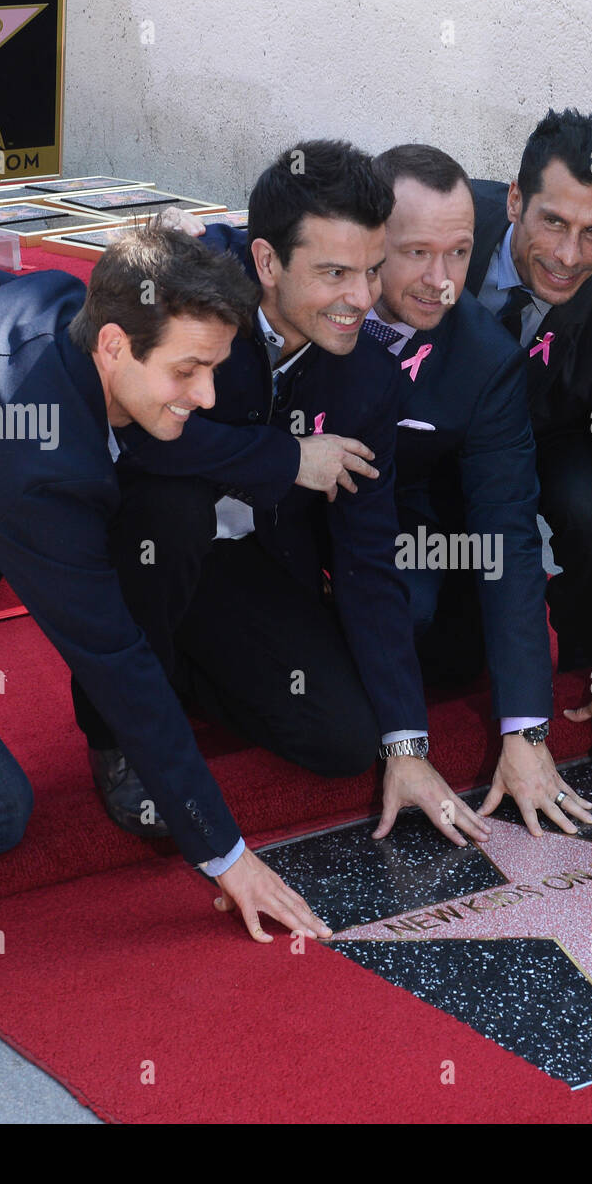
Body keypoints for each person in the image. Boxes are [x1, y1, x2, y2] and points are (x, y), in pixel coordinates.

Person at [0, 224, 330, 942]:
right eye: (186, 371)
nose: (206, 395)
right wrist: (225, 853)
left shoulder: (53, 301)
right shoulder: (38, 477)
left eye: (215, 367)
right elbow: (119, 666)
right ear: (113, 345)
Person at [65, 141, 497, 847]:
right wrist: (286, 457)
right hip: (140, 534)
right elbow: (140, 436)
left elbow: (368, 555)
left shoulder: (370, 378)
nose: (363, 298)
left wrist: (407, 743)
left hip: (251, 561)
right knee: (168, 513)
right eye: (333, 273)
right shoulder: (193, 289)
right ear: (267, 263)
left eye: (370, 269)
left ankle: (172, 668)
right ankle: (116, 731)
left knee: (342, 738)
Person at [364, 142, 592, 836]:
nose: (442, 281)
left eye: (460, 253)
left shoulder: (486, 358)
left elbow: (509, 529)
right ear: (371, 241)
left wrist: (525, 730)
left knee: (432, 619)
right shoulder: (310, 302)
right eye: (418, 254)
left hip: (401, 528)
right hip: (277, 517)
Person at [467, 108, 592, 794]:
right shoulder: (449, 228)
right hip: (437, 427)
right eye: (553, 222)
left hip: (556, 430)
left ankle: (579, 659)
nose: (571, 255)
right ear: (515, 199)